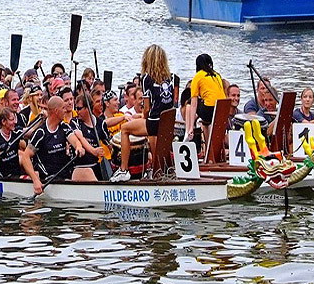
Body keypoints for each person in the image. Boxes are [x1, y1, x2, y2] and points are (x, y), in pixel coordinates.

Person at [110, 45, 178, 183]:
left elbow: (147, 108)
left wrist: (144, 118)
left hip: (154, 122)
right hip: (168, 122)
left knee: (125, 129)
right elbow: (172, 101)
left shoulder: (146, 78)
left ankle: (123, 170)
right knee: (149, 133)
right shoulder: (172, 78)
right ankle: (159, 169)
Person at [20, 96, 85, 194]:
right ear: (56, 111)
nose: (65, 110)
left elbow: (75, 140)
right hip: (48, 177)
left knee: (85, 171)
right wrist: (35, 180)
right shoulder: (41, 133)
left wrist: (79, 147)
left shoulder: (64, 127)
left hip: (64, 174)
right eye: (63, 108)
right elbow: (25, 157)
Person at [190, 53, 228, 144]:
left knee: (189, 104)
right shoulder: (217, 75)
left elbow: (193, 103)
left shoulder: (198, 76)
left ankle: (190, 129)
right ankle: (209, 147)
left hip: (209, 110)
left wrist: (191, 124)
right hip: (222, 108)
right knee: (205, 122)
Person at [70, 92, 109, 181]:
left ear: (87, 108)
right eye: (76, 108)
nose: (77, 111)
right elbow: (80, 138)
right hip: (80, 167)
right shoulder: (75, 122)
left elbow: (109, 144)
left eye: (79, 108)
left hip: (96, 166)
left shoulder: (101, 124)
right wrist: (93, 151)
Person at [0, 106, 24, 178]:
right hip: (3, 177)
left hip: (17, 175)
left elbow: (31, 131)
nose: (15, 122)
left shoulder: (16, 132)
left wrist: (41, 119)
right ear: (3, 121)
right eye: (12, 120)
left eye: (15, 119)